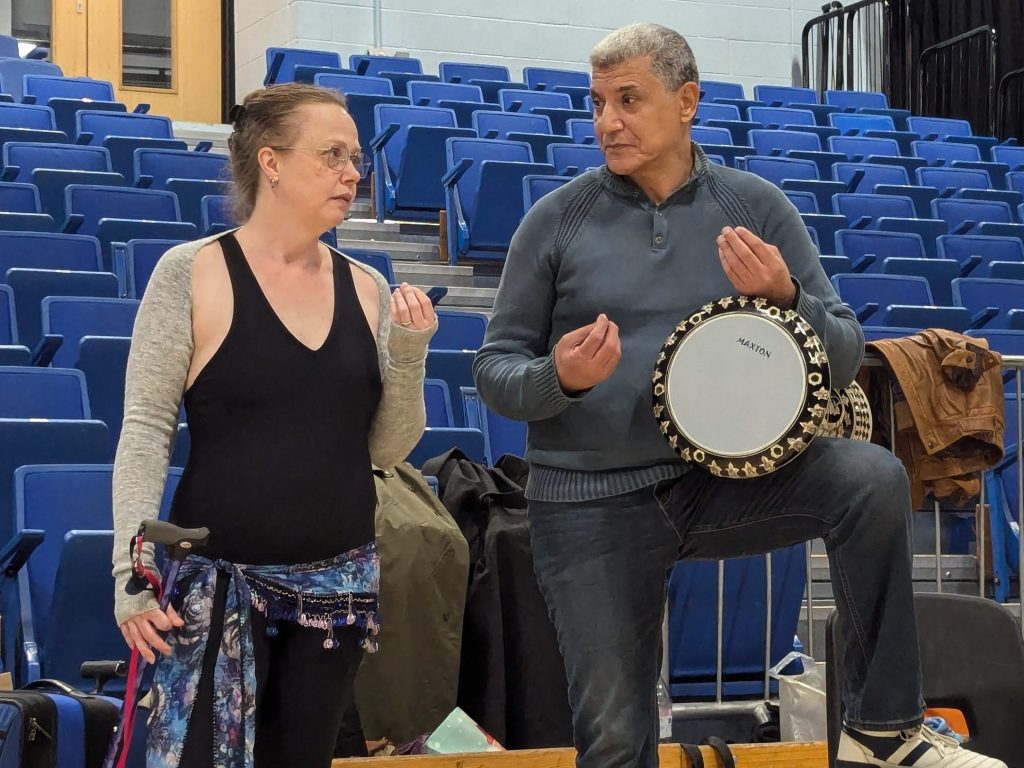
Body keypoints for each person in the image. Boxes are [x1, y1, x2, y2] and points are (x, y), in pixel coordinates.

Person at [474, 22, 1006, 768]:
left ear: (687, 101)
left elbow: (847, 348)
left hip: (723, 484)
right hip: (590, 503)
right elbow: (495, 371)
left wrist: (788, 296)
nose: (607, 121)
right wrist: (557, 378)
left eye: (628, 99)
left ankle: (882, 731)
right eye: (597, 102)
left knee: (869, 479)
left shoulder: (754, 206)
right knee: (617, 745)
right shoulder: (556, 220)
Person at [111, 82, 437, 767]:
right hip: (214, 583)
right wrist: (130, 574)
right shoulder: (191, 273)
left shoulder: (367, 287)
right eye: (332, 155)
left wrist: (408, 358)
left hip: (337, 592)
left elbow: (385, 448)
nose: (353, 172)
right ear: (272, 162)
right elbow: (145, 427)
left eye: (355, 158)